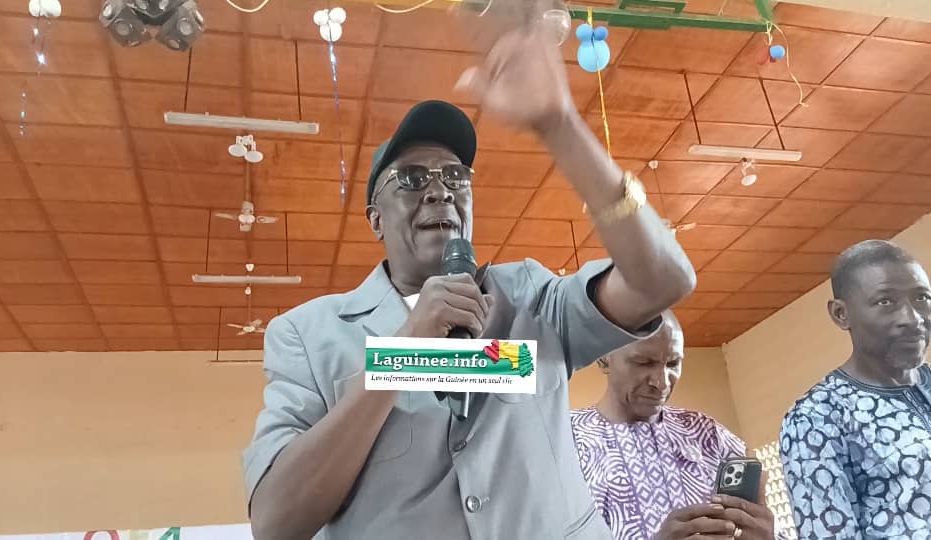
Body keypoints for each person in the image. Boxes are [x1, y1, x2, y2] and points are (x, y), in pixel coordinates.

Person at [242, 26, 696, 540]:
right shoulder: (307, 334)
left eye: (456, 177)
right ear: (375, 219)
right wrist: (405, 352)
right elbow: (276, 522)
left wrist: (560, 125)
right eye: (411, 179)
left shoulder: (529, 297)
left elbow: (662, 282)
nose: (440, 190)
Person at [571, 311, 777, 540]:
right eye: (643, 362)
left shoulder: (707, 433)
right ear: (603, 357)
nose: (661, 382)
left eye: (673, 363)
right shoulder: (564, 440)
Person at [779, 239, 931, 538]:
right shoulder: (816, 417)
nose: (912, 318)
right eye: (885, 302)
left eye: (921, 298)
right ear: (841, 314)